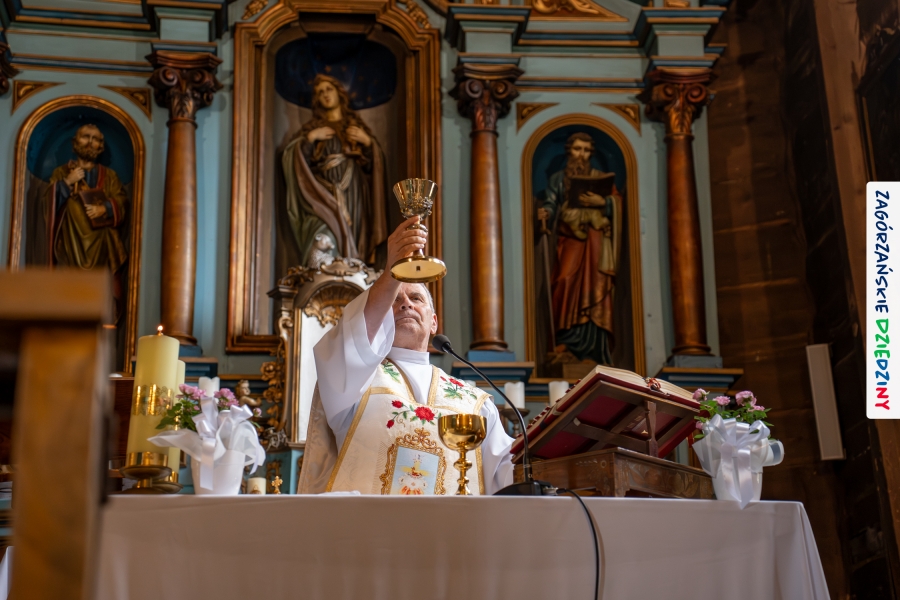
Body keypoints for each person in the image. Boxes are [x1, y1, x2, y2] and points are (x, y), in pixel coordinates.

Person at [297, 217, 514, 495]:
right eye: (395, 299)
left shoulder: (474, 404)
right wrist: (392, 270)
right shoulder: (353, 381)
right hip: (368, 524)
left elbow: (508, 470)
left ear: (433, 322)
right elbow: (352, 337)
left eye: (416, 298)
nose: (406, 304)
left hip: (451, 525)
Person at [282, 74, 388, 267]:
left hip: (353, 190)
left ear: (340, 94)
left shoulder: (354, 126)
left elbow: (371, 166)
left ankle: (353, 270)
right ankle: (325, 270)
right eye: (320, 92)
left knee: (354, 230)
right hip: (322, 193)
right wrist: (310, 139)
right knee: (324, 228)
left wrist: (368, 142)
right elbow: (297, 162)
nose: (325, 94)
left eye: (329, 89)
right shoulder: (313, 128)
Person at [537, 132, 620, 366]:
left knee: (596, 288)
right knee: (564, 281)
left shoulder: (601, 178)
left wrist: (603, 202)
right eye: (577, 149)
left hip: (596, 242)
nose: (581, 155)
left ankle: (594, 350)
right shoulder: (558, 179)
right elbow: (551, 203)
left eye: (585, 150)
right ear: (569, 151)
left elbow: (618, 203)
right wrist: (545, 213)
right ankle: (566, 341)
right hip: (570, 239)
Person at [45, 123, 128, 319]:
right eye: (85, 137)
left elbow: (121, 201)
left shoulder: (110, 177)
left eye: (95, 139)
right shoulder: (61, 172)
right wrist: (67, 182)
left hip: (101, 245)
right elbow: (48, 204)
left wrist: (105, 208)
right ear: (75, 142)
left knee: (98, 294)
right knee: (69, 293)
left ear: (101, 146)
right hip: (70, 243)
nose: (90, 142)